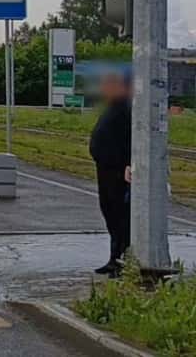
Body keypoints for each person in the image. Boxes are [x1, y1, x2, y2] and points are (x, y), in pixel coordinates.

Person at [89, 70, 132, 275]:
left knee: (119, 215)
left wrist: (129, 164)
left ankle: (121, 260)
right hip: (105, 168)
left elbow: (130, 138)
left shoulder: (126, 108)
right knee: (109, 212)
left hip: (118, 170)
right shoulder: (113, 106)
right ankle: (114, 258)